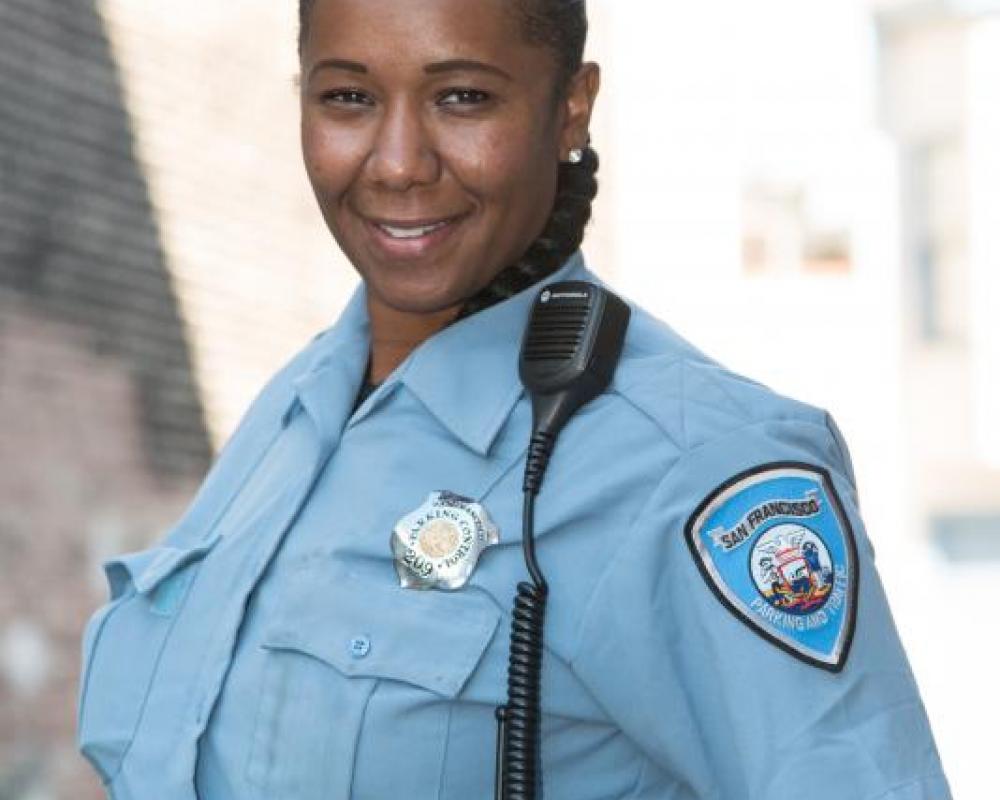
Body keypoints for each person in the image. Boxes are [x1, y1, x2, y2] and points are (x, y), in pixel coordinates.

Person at [75, 1, 952, 798]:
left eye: (461, 98)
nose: (397, 163)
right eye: (347, 98)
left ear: (570, 107)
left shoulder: (697, 469)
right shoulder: (300, 403)